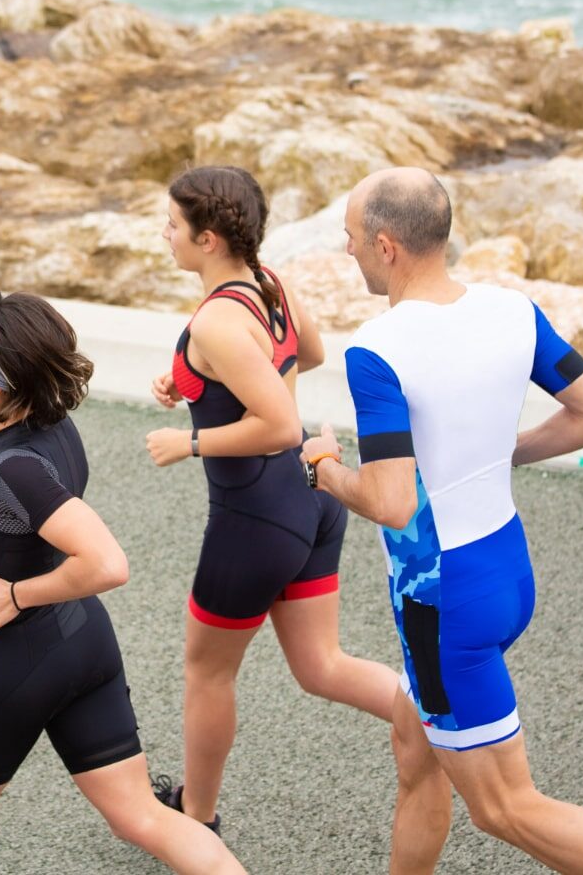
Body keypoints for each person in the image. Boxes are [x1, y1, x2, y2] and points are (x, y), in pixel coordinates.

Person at [304, 167, 583, 874]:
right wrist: (502, 453)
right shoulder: (512, 310)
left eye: (349, 239)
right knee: (417, 755)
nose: (346, 252)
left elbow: (393, 502)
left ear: (385, 247)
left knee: (505, 808)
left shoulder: (378, 351)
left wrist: (321, 467)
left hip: (444, 607)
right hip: (504, 570)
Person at [0, 289, 244, 875]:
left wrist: (16, 595)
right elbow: (21, 513)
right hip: (80, 644)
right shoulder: (51, 427)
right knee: (140, 816)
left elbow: (108, 562)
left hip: (15, 661)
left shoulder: (11, 469)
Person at [145, 165, 399, 833]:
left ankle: (196, 819)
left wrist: (190, 443)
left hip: (254, 520)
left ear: (206, 239)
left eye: (172, 223)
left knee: (206, 673)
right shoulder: (269, 283)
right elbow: (306, 353)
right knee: (322, 666)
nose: (163, 233)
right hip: (312, 500)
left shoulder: (216, 325)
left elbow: (279, 425)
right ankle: (432, 718)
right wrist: (198, 386)